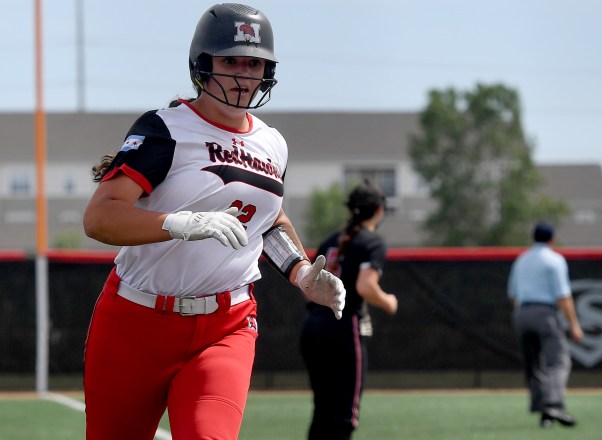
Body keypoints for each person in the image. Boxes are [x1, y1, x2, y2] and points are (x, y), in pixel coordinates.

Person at [81, 4, 345, 439]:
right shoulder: (164, 128)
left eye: (254, 62)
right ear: (203, 65)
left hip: (226, 325)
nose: (243, 74)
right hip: (135, 321)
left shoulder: (272, 143)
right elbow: (100, 216)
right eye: (230, 60)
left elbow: (269, 219)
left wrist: (301, 273)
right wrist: (178, 223)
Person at [300, 180, 398, 440]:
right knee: (344, 415)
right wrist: (388, 301)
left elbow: (307, 284)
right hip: (342, 327)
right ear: (379, 210)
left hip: (313, 324)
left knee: (322, 411)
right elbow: (365, 286)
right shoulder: (372, 241)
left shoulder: (329, 240)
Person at [507, 221, 583, 428]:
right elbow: (563, 296)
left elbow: (513, 295)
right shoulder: (554, 260)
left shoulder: (521, 260)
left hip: (522, 313)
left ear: (533, 238)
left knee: (534, 365)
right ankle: (554, 404)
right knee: (558, 362)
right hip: (544, 312)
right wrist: (574, 325)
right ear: (553, 239)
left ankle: (544, 412)